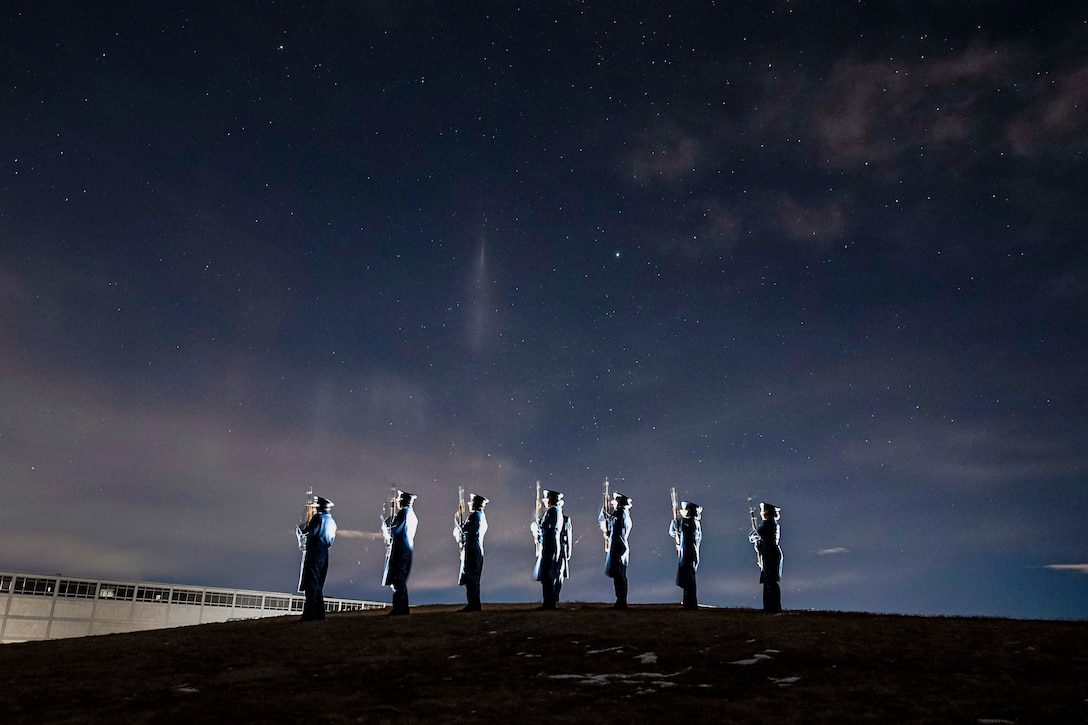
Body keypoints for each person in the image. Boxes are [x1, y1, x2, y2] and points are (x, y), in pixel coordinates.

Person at [296, 495, 337, 622]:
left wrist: (305, 521)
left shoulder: (318, 518)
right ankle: (319, 613)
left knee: (311, 584)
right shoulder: (332, 521)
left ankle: (309, 614)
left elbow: (307, 532)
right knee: (318, 584)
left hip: (314, 552)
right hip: (324, 552)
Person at [382, 490, 418, 615]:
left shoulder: (403, 514)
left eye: (399, 500)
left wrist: (387, 523)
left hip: (400, 550)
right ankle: (402, 607)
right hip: (405, 549)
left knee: (398, 580)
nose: (397, 502)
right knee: (399, 579)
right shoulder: (411, 514)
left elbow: (394, 531)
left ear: (403, 501)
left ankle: (400, 608)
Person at [453, 493, 489, 612]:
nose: (469, 505)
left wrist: (458, 518)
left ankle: (473, 605)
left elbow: (465, 531)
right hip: (475, 550)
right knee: (473, 579)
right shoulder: (481, 516)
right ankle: (474, 604)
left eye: (471, 503)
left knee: (471, 579)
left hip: (472, 550)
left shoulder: (475, 516)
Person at [531, 489, 565, 609]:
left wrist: (537, 528)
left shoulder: (552, 511)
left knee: (547, 575)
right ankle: (549, 602)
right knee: (548, 575)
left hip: (550, 546)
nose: (545, 502)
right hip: (551, 545)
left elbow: (546, 528)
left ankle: (549, 603)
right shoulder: (555, 511)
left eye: (546, 499)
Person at [599, 492, 632, 609]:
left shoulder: (620, 514)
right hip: (618, 546)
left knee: (619, 576)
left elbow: (615, 530)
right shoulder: (621, 514)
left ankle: (621, 602)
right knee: (619, 575)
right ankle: (620, 601)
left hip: (618, 547)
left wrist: (606, 518)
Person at [749, 502, 783, 613]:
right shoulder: (768, 524)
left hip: (771, 554)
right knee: (768, 581)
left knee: (771, 581)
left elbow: (757, 534)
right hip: (768, 554)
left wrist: (754, 529)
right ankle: (769, 606)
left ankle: (774, 607)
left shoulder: (770, 524)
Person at [669, 500, 702, 610]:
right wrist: (675, 522)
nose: (682, 511)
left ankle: (691, 603)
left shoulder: (691, 523)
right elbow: (674, 532)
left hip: (689, 553)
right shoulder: (687, 522)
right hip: (685, 553)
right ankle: (687, 602)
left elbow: (684, 532)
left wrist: (678, 522)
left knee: (689, 580)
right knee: (686, 579)